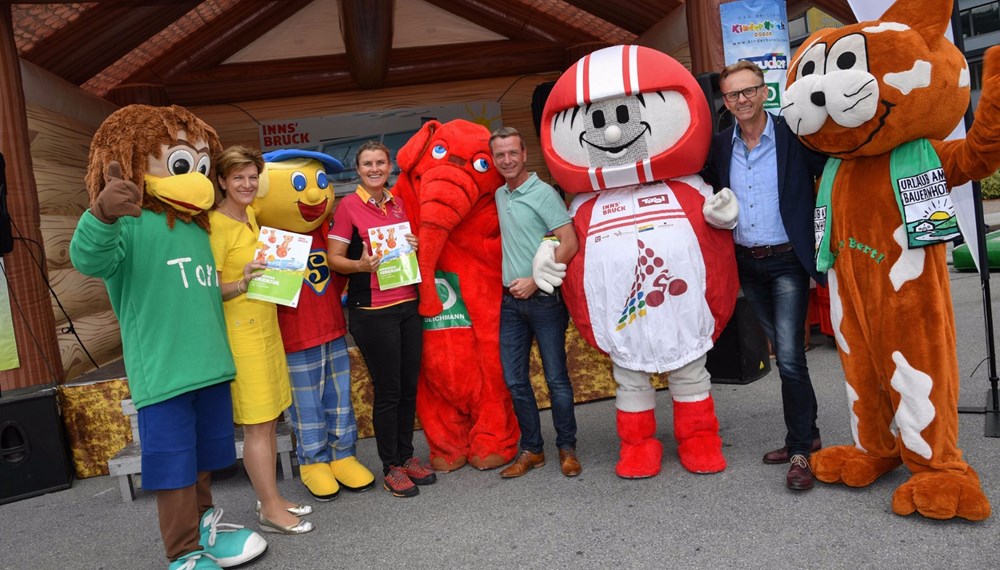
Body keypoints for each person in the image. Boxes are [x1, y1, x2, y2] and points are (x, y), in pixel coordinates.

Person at [71, 104, 266, 570]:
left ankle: (203, 527)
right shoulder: (130, 222)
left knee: (205, 457)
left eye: (201, 163)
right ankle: (182, 551)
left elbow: (202, 288)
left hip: (210, 365)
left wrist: (242, 283)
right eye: (181, 162)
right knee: (175, 465)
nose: (196, 177)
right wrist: (100, 214)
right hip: (164, 372)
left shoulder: (197, 226)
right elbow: (88, 260)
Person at [703, 60, 828, 491]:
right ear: (725, 100)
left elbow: (831, 173)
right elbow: (701, 190)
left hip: (788, 260)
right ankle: (807, 434)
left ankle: (799, 452)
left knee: (790, 357)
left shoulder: (794, 135)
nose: (742, 100)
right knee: (788, 356)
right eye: (733, 94)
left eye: (749, 91)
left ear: (764, 92)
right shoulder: (720, 147)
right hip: (746, 263)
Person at [209, 146, 313, 534]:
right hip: (241, 335)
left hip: (266, 326)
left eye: (253, 176)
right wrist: (242, 281)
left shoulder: (251, 215)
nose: (247, 184)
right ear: (221, 181)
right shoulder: (214, 225)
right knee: (257, 423)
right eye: (238, 177)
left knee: (270, 421)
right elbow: (211, 288)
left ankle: (270, 498)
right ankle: (270, 508)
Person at [327, 140, 436, 498]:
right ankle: (391, 466)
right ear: (357, 170)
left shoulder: (398, 203)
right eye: (367, 164)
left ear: (389, 166)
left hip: (407, 304)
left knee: (408, 387)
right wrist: (360, 265)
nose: (374, 169)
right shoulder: (348, 207)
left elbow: (404, 248)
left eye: (380, 162)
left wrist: (413, 245)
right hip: (373, 312)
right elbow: (333, 258)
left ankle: (406, 456)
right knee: (388, 391)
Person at [489, 127, 581, 479]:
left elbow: (569, 243)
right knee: (515, 381)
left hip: (544, 301)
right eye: (500, 155)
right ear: (494, 160)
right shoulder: (500, 194)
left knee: (557, 379)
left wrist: (535, 280)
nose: (507, 160)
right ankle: (532, 450)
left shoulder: (543, 193)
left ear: (524, 154)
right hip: (509, 303)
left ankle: (567, 447)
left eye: (512, 152)